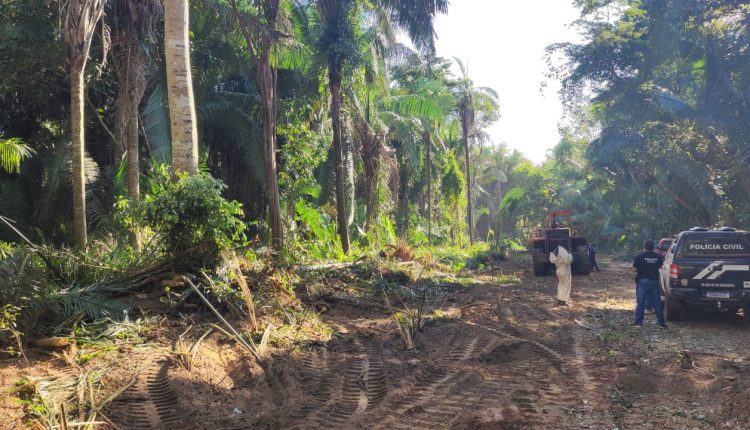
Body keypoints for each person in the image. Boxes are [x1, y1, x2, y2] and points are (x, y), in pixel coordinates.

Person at [632, 240, 666, 327]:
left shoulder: (639, 257)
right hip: (654, 282)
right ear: (653, 247)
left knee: (640, 302)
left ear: (644, 247)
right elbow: (661, 267)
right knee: (657, 302)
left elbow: (634, 269)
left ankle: (638, 322)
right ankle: (661, 323)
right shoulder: (658, 257)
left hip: (642, 282)